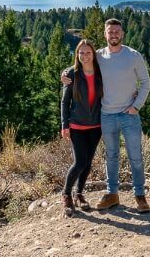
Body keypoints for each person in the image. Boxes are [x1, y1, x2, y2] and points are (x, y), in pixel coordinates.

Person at [62, 18, 150, 213]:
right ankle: (112, 194)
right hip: (106, 115)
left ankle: (140, 195)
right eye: (110, 32)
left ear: (122, 34)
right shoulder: (99, 56)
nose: (113, 35)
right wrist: (65, 74)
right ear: (105, 34)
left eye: (117, 32)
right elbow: (80, 64)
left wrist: (136, 106)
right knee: (111, 156)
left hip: (129, 115)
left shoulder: (133, 56)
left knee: (135, 157)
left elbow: (145, 82)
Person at [60, 39, 104, 215]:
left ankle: (79, 193)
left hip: (96, 125)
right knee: (79, 162)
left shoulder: (101, 72)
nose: (84, 56)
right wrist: (64, 125)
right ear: (77, 55)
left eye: (88, 52)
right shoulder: (72, 73)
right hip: (77, 125)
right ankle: (66, 195)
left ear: (93, 54)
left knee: (88, 163)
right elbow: (65, 102)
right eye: (81, 53)